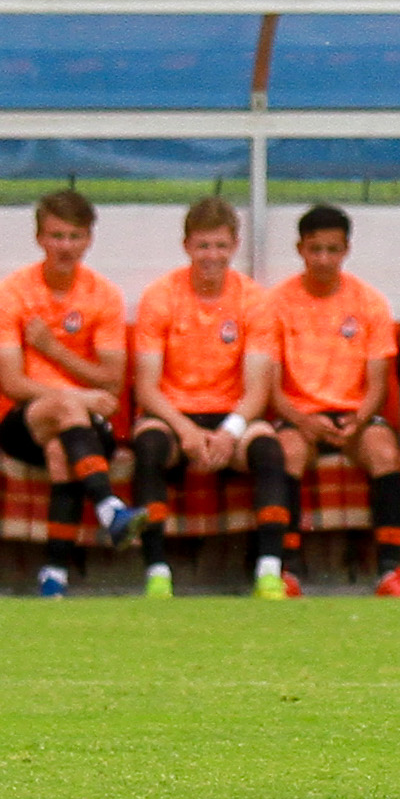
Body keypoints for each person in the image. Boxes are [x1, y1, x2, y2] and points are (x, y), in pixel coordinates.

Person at [126, 195, 296, 598]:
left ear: (235, 245)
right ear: (187, 245)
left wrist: (228, 432)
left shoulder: (254, 300)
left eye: (221, 245)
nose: (212, 255)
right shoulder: (160, 296)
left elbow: (257, 389)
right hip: (172, 414)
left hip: (231, 415)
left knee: (269, 451)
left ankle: (269, 571)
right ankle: (156, 571)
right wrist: (186, 430)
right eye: (203, 245)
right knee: (148, 446)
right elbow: (146, 386)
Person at [0, 190, 139, 595]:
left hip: (84, 427)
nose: (65, 246)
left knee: (61, 453)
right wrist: (80, 397)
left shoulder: (104, 295)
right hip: (23, 421)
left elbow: (113, 379)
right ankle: (109, 507)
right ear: (40, 238)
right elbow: (12, 383)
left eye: (74, 236)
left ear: (88, 239)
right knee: (63, 407)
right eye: (56, 236)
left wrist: (52, 349)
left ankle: (54, 574)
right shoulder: (11, 293)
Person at [267, 204, 400, 598]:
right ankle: (287, 571)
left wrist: (358, 420)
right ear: (300, 249)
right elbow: (271, 386)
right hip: (300, 416)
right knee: (287, 454)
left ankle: (390, 572)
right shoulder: (277, 303)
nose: (323, 259)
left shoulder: (369, 302)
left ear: (346, 250)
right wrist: (303, 420)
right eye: (315, 249)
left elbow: (377, 384)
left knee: (384, 452)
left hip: (354, 416)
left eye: (332, 250)